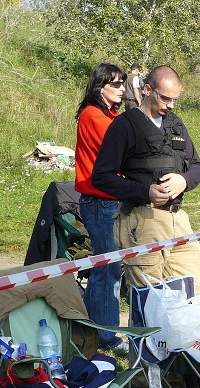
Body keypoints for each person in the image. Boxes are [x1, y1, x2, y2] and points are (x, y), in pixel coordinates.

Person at [91, 65, 200, 294]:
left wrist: (184, 181)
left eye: (175, 99)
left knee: (196, 291)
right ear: (147, 89)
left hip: (178, 220)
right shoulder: (124, 125)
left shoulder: (176, 123)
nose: (171, 105)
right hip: (142, 221)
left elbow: (197, 167)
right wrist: (145, 191)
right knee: (152, 298)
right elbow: (101, 177)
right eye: (166, 98)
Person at [74, 63, 127, 350]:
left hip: (105, 200)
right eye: (116, 84)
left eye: (122, 83)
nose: (121, 89)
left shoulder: (107, 114)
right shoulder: (95, 116)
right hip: (100, 202)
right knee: (107, 270)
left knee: (104, 269)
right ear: (100, 86)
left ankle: (89, 328)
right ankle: (105, 336)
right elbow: (125, 149)